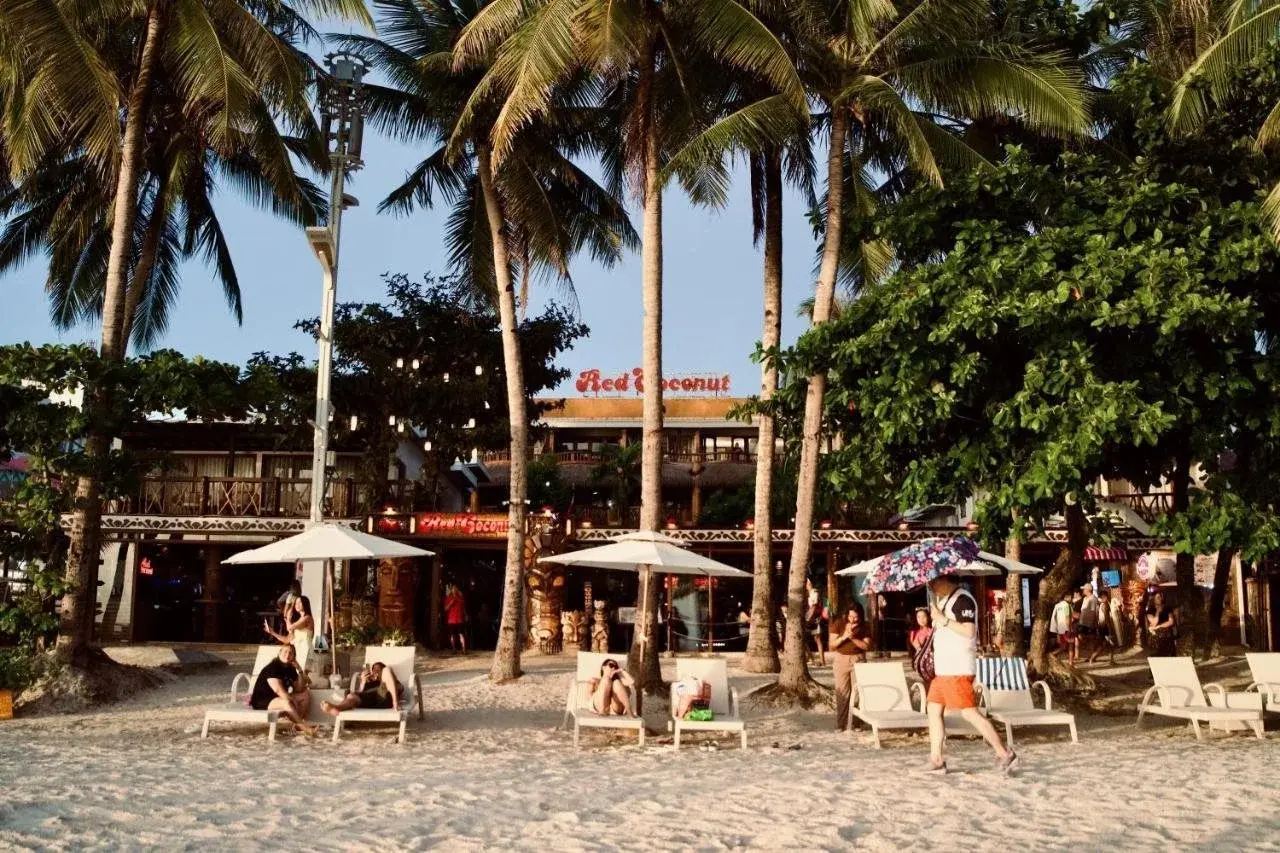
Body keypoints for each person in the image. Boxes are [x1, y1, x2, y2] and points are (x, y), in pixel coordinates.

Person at [925, 574, 1017, 775]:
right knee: (933, 709)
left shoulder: (963, 600)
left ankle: (1003, 753)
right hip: (944, 669)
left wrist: (943, 620)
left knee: (968, 712)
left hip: (957, 668)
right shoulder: (945, 601)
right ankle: (936, 758)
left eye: (934, 582)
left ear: (946, 579)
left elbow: (969, 631)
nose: (931, 586)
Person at [249, 643, 316, 735]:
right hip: (263, 700)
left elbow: (299, 688)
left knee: (305, 694)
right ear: (279, 653)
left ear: (294, 657)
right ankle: (303, 727)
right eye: (285, 652)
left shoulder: (290, 668)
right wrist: (292, 700)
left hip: (278, 698)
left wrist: (299, 670)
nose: (287, 654)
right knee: (286, 702)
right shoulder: (273, 667)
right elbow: (278, 690)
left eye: (291, 653)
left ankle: (296, 725)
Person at [829, 603, 873, 731]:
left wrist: (853, 638)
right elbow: (832, 645)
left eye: (856, 617)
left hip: (858, 659)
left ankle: (856, 722)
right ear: (846, 615)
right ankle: (841, 723)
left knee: (857, 692)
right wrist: (844, 637)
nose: (853, 619)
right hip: (841, 659)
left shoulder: (864, 626)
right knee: (842, 692)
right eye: (850, 616)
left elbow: (866, 646)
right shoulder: (838, 623)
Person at [322, 661, 400, 715]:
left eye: (378, 670)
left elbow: (399, 688)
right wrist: (363, 682)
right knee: (351, 695)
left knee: (387, 669)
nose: (375, 672)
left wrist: (385, 677)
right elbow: (360, 693)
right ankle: (337, 708)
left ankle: (395, 703)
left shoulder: (388, 680)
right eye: (373, 670)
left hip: (383, 698)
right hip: (369, 702)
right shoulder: (369, 682)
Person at [264, 595, 315, 666]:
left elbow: (290, 628)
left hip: (306, 650)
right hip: (297, 651)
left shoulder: (307, 618)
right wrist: (272, 632)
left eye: (300, 602)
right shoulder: (298, 622)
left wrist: (287, 617)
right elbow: (287, 640)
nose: (297, 605)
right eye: (296, 603)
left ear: (305, 604)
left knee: (305, 671)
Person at [1145, 591, 1177, 656]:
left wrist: (1159, 626)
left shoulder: (1167, 608)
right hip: (1156, 633)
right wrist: (1157, 612)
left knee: (1166, 634)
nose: (1159, 598)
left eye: (1160, 597)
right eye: (1157, 597)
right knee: (1158, 636)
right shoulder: (1150, 610)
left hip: (1166, 630)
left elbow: (1171, 621)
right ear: (1153, 599)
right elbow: (1154, 623)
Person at [805, 578, 826, 667]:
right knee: (805, 639)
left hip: (814, 619)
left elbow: (814, 606)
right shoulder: (807, 593)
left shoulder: (814, 593)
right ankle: (811, 658)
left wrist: (808, 618)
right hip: (810, 618)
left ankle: (821, 660)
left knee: (817, 639)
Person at [1078, 584, 1100, 662]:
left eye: (1084, 589)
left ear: (1088, 590)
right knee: (1082, 638)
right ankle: (1090, 655)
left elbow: (1093, 611)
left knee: (1091, 640)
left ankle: (1091, 656)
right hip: (1083, 623)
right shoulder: (1085, 599)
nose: (1083, 590)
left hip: (1090, 623)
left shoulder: (1093, 599)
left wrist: (1092, 624)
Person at [1048, 593, 1073, 661]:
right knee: (1069, 645)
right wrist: (1069, 629)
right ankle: (1052, 655)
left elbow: (1055, 618)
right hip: (1066, 628)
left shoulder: (1057, 606)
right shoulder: (1066, 605)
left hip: (1060, 628)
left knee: (1065, 646)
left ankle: (1070, 661)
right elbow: (1067, 618)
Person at [444, 583, 468, 652]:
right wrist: (451, 603)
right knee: (452, 635)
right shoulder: (448, 598)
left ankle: (464, 649)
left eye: (455, 588)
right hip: (451, 619)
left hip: (459, 619)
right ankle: (454, 649)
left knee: (461, 634)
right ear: (451, 590)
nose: (454, 590)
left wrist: (466, 615)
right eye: (453, 588)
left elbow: (463, 608)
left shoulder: (460, 598)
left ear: (457, 589)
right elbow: (445, 609)